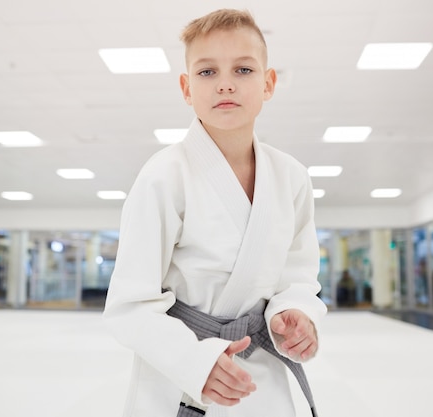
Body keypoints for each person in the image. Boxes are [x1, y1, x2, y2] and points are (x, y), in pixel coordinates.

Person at [103, 9, 327, 416]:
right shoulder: (163, 175)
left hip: (261, 372)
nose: (225, 83)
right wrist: (194, 361)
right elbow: (127, 305)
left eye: (243, 69)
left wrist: (295, 314)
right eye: (207, 72)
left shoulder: (291, 176)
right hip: (181, 372)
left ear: (269, 83)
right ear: (187, 88)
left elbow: (298, 275)